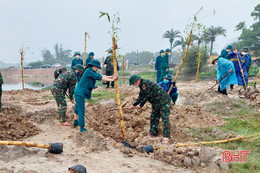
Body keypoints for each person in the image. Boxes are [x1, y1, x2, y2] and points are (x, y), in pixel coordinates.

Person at [73, 60, 118, 132]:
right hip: (80, 93)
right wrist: (112, 79)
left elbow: (101, 76)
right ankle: (82, 128)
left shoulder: (90, 71)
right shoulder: (88, 71)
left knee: (78, 107)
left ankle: (75, 121)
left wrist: (111, 77)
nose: (97, 69)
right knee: (81, 110)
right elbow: (100, 77)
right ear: (93, 66)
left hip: (79, 92)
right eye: (97, 67)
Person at [128, 75, 171, 144]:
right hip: (156, 102)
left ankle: (166, 136)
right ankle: (153, 133)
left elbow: (147, 95)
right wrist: (133, 105)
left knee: (164, 117)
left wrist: (141, 105)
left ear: (137, 81)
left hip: (163, 100)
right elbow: (141, 96)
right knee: (154, 117)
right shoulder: (142, 85)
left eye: (133, 83)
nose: (134, 85)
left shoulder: (145, 83)